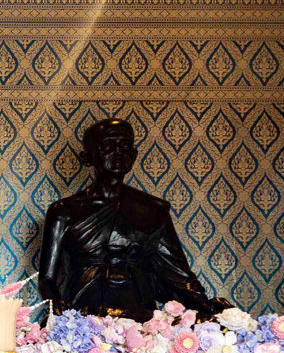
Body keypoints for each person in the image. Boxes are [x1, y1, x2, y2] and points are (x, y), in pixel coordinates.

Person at [37, 118, 226, 322]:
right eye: (109, 146)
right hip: (84, 314)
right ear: (87, 157)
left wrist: (211, 308)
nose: (119, 152)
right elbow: (47, 278)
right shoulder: (64, 211)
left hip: (138, 315)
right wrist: (57, 309)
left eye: (125, 146)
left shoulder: (152, 210)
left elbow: (177, 273)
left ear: (134, 155)